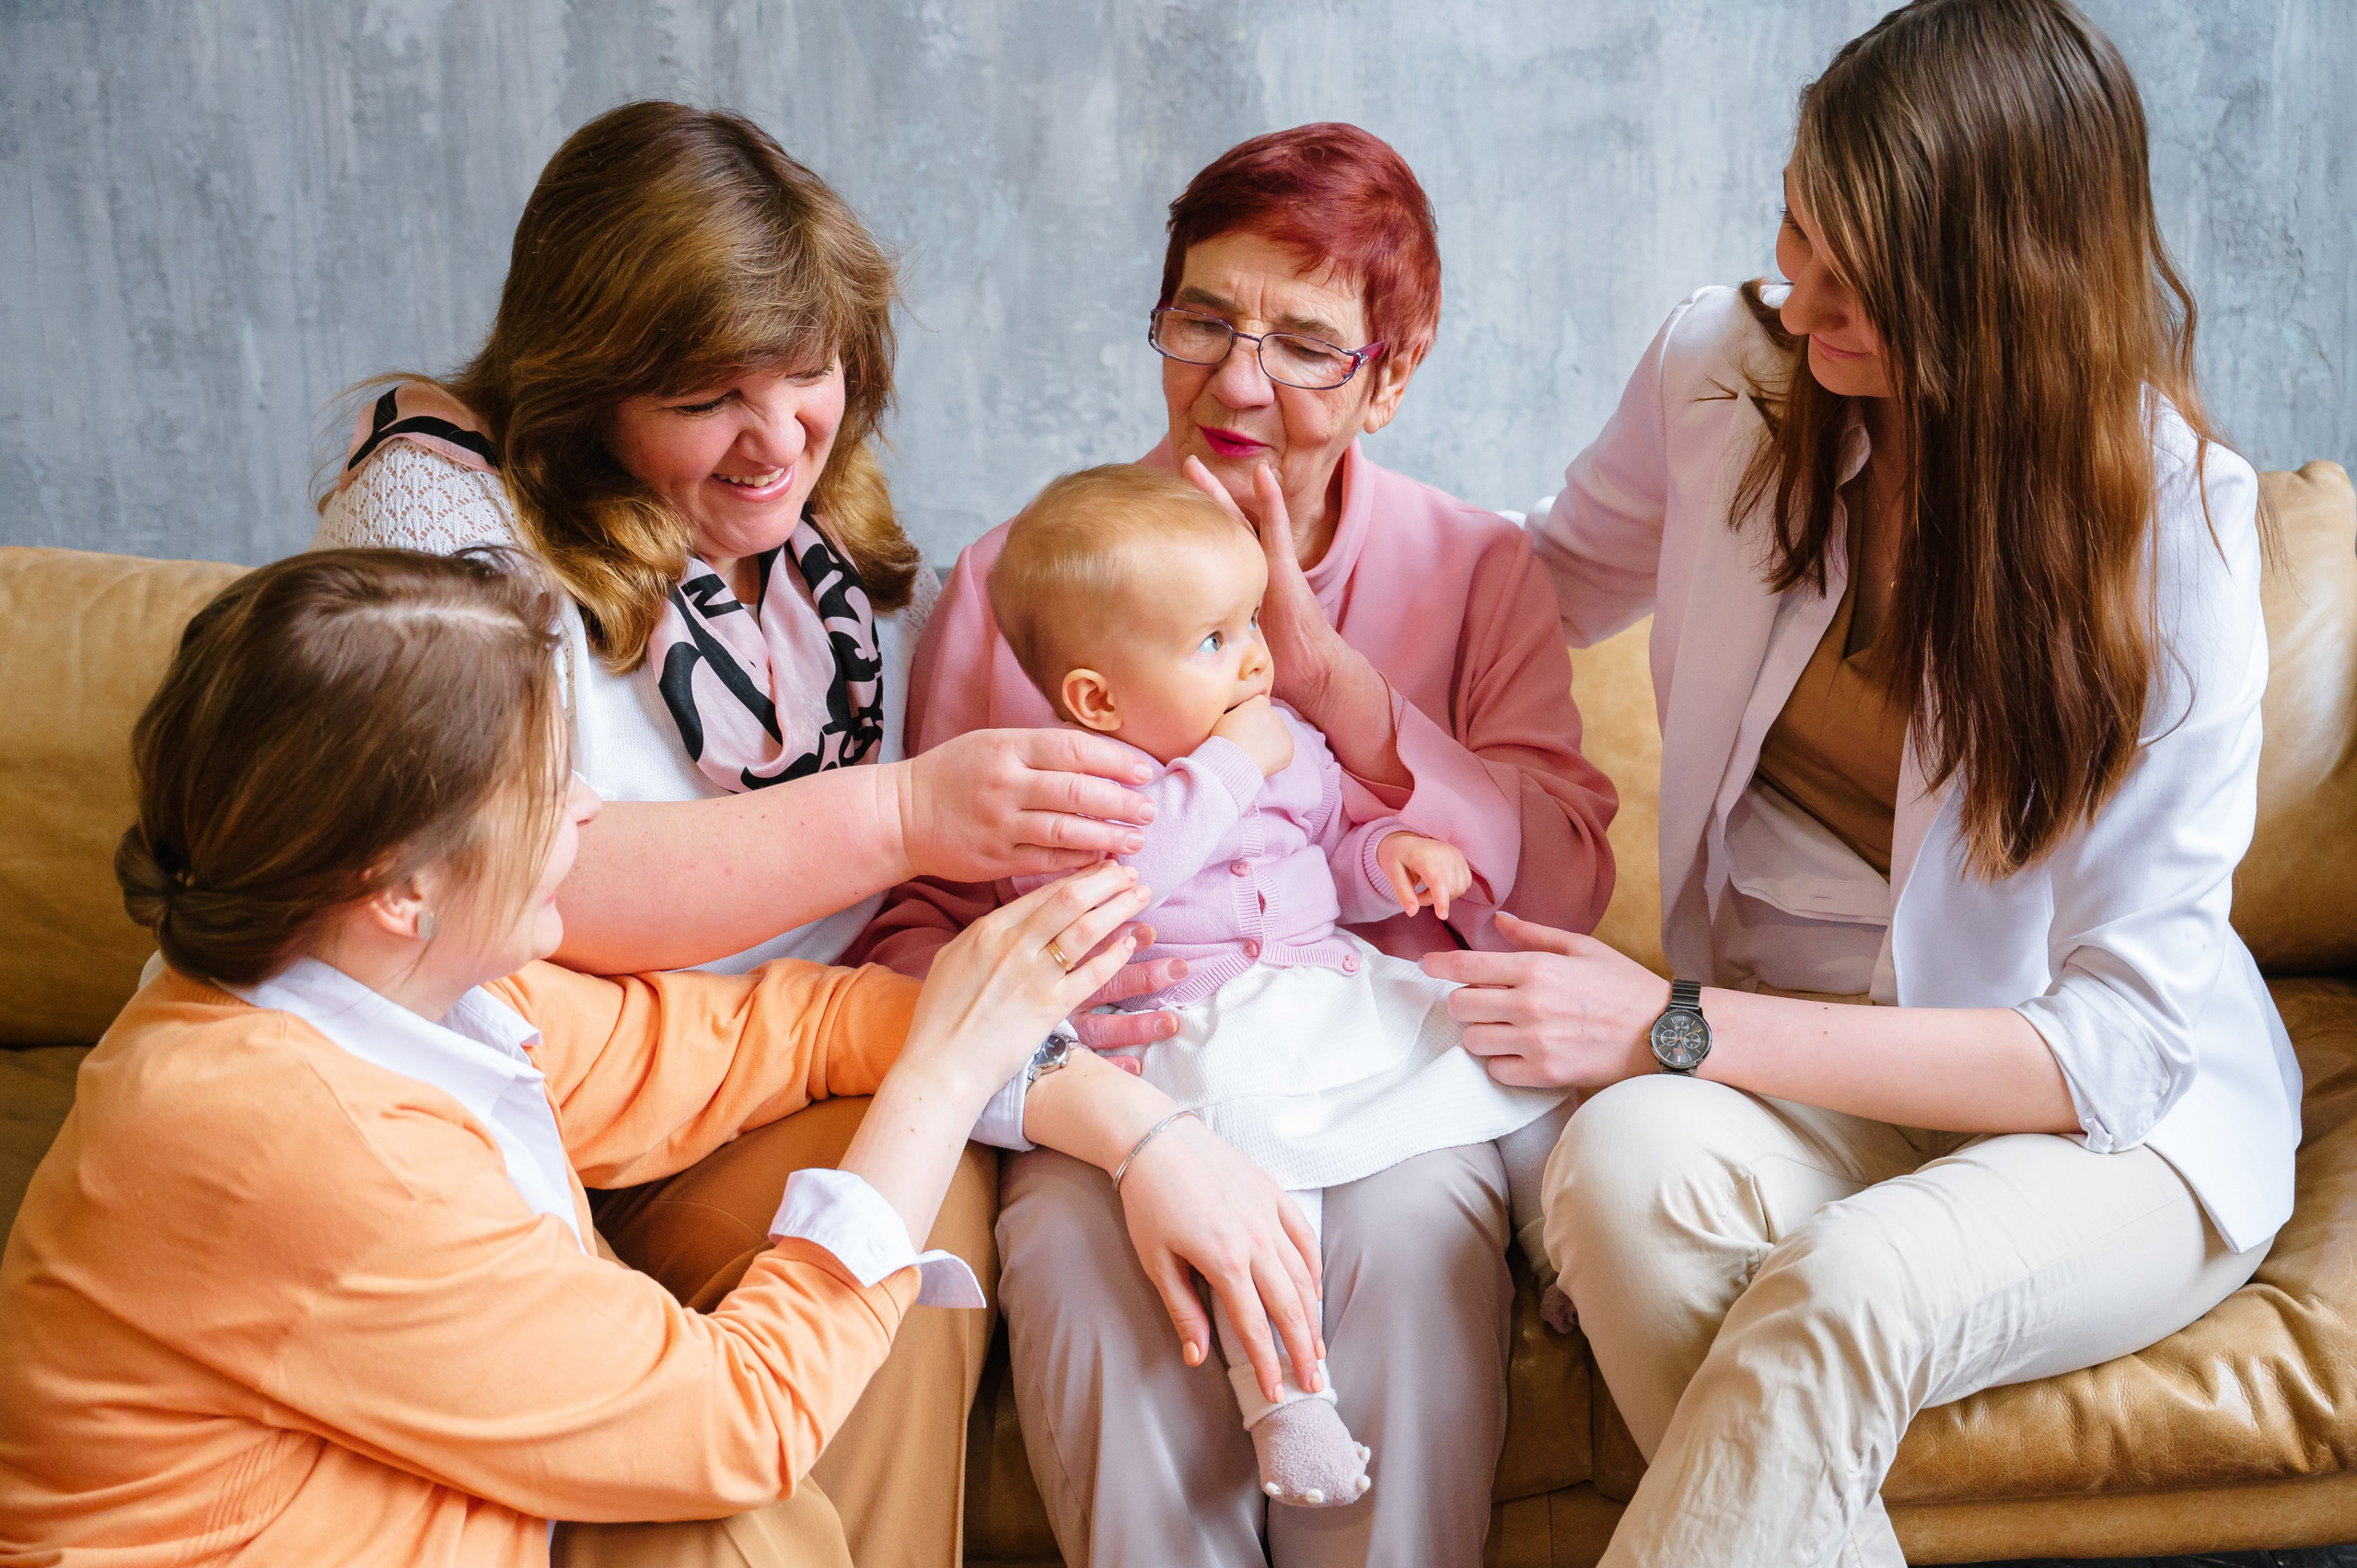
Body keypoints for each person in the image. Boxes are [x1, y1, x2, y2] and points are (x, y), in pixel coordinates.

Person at [1429, 3, 2304, 1562]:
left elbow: (2120, 1045)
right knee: (1614, 1166)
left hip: (2108, 1131)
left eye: (1870, 277)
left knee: (1850, 1283)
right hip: (1810, 1086)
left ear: (2009, 291)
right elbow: (1524, 592)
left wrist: (1673, 1026)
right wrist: (1270, 593)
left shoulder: (2180, 532)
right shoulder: (1726, 375)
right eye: (1796, 226)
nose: (1807, 299)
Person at [308, 101, 1178, 1564]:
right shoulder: (439, 505)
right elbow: (521, 868)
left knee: (910, 1238)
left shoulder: (799, 541)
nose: (780, 434)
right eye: (714, 390)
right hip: (530, 1095)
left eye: (813, 369)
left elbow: (860, 970)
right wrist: (908, 809)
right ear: (584, 379)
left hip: (779, 1057)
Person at [0, 549, 1153, 1568]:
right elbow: (736, 1421)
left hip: (451, 1513)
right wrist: (941, 1075)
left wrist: (1139, 1130)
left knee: (730, 1503)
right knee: (729, 1520)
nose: (591, 806)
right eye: (547, 783)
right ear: (400, 888)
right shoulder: (294, 1130)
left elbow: (770, 1030)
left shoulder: (404, 981)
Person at [861, 123, 1617, 1566]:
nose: (1237, 378)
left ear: (1392, 375)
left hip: (1383, 1058)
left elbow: (1570, 874)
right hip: (1120, 1075)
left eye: (1307, 342)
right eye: (1203, 318)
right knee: (1087, 1266)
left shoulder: (1476, 569)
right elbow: (917, 928)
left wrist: (1337, 685)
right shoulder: (1029, 581)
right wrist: (1082, 1091)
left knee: (1406, 1244)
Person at [989, 465, 1573, 1509]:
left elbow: (1324, 847)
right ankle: (1288, 1403)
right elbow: (1121, 886)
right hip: (1195, 1032)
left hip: (1316, 987)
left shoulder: (1277, 734)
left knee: (1479, 1034)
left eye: (1250, 619)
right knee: (1261, 1198)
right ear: (1096, 697)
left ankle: (1557, 1228)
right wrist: (1224, 765)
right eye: (1213, 640)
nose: (1255, 656)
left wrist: (1387, 854)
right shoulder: (1072, 786)